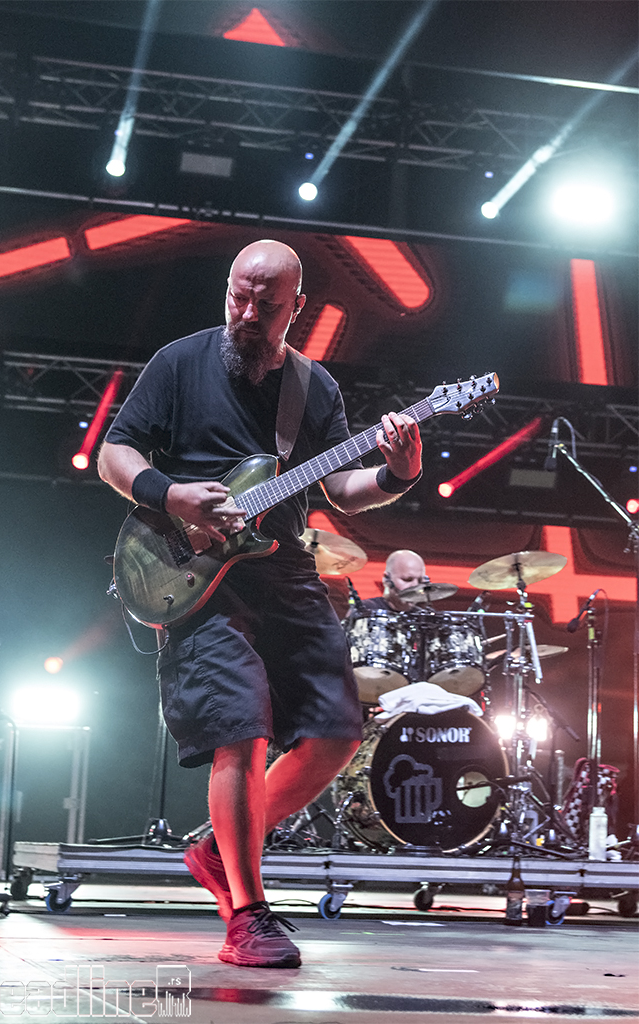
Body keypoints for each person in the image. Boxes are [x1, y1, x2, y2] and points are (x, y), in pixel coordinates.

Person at [97, 239, 422, 968]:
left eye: (265, 305)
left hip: (284, 571)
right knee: (239, 732)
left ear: (295, 308)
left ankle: (220, 851)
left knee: (337, 732)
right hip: (197, 577)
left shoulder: (314, 388)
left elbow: (341, 492)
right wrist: (172, 494)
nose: (247, 314)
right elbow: (116, 453)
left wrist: (398, 473)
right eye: (237, 297)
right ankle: (246, 914)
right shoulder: (179, 363)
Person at [360, 549, 427, 612]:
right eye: (407, 579)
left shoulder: (425, 615)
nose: (416, 586)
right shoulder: (365, 609)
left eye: (420, 581)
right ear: (387, 579)